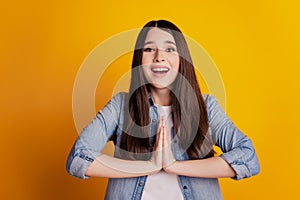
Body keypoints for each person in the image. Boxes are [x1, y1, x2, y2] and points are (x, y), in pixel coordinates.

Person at [66, 20, 260, 200]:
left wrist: (174, 166)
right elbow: (78, 159)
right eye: (149, 49)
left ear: (182, 58)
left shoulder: (206, 107)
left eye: (170, 49)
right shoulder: (121, 106)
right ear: (139, 60)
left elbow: (248, 158)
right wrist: (149, 165)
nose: (159, 58)